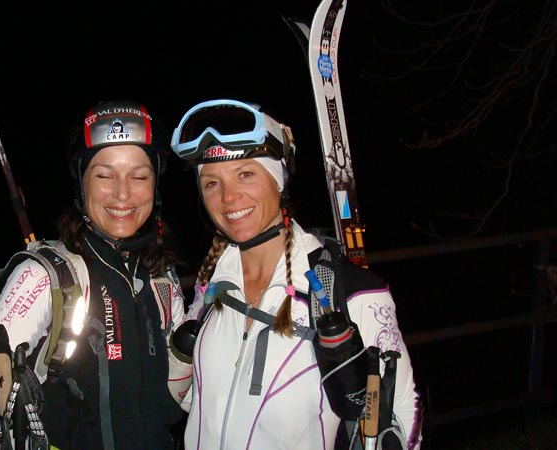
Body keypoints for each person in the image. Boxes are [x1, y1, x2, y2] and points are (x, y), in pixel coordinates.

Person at [169, 99, 424, 449]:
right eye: (212, 183)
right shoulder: (212, 283)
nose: (228, 197)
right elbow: (193, 398)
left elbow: (402, 427)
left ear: (278, 181)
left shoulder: (350, 294)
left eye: (245, 174)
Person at [0, 100, 192, 450]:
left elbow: (177, 397)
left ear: (155, 184)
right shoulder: (44, 277)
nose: (123, 193)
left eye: (139, 176)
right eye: (104, 175)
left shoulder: (161, 278)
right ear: (82, 183)